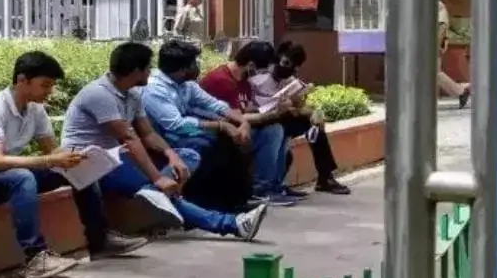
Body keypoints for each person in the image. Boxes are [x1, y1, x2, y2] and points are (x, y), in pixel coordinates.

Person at [0, 52, 146, 278]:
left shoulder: (35, 110)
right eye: (45, 85)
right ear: (22, 80)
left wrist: (79, 158)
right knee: (22, 178)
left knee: (77, 171)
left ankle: (99, 240)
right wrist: (50, 160)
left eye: (51, 86)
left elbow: (51, 152)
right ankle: (35, 257)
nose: (50, 91)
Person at [63, 42, 267, 241]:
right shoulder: (100, 94)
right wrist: (158, 178)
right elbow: (130, 138)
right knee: (159, 190)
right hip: (88, 161)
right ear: (136, 71)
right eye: (147, 68)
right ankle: (230, 224)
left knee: (185, 158)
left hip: (117, 157)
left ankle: (165, 201)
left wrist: (171, 155)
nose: (151, 72)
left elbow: (148, 134)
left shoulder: (132, 94)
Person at [141, 40, 295, 211]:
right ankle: (210, 204)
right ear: (182, 69)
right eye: (193, 63)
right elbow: (176, 125)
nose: (197, 67)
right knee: (213, 145)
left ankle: (237, 200)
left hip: (187, 131)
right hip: (166, 138)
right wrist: (222, 126)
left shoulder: (185, 84)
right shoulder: (155, 89)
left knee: (231, 140)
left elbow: (215, 105)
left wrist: (242, 122)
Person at [199, 40, 304, 204]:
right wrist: (275, 113)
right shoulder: (222, 81)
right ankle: (260, 190)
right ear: (251, 66)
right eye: (263, 70)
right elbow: (235, 117)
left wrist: (277, 105)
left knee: (281, 128)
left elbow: (246, 109)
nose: (263, 76)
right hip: (217, 132)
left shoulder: (243, 80)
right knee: (273, 131)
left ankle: (276, 186)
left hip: (236, 129)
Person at [251, 41, 351, 194]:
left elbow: (299, 109)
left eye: (294, 67)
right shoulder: (260, 78)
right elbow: (254, 107)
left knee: (315, 126)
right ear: (278, 57)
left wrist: (310, 112)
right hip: (264, 121)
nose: (289, 69)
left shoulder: (290, 80)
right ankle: (272, 186)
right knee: (279, 131)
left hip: (282, 119)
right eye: (286, 63)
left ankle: (325, 177)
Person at [437, 0, 471, 108]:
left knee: (434, 73)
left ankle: (460, 91)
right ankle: (460, 90)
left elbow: (442, 25)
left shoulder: (437, 5)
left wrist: (438, 43)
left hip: (433, 44)